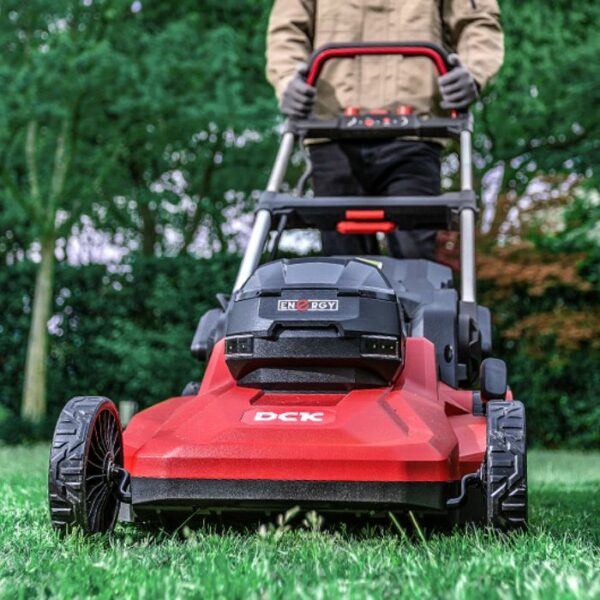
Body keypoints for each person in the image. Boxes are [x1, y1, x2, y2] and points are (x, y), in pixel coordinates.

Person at [266, 0, 504, 259]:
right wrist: (288, 78)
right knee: (341, 262)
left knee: (415, 256)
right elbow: (288, 28)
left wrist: (472, 73)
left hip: (415, 131)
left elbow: (477, 22)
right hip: (330, 128)